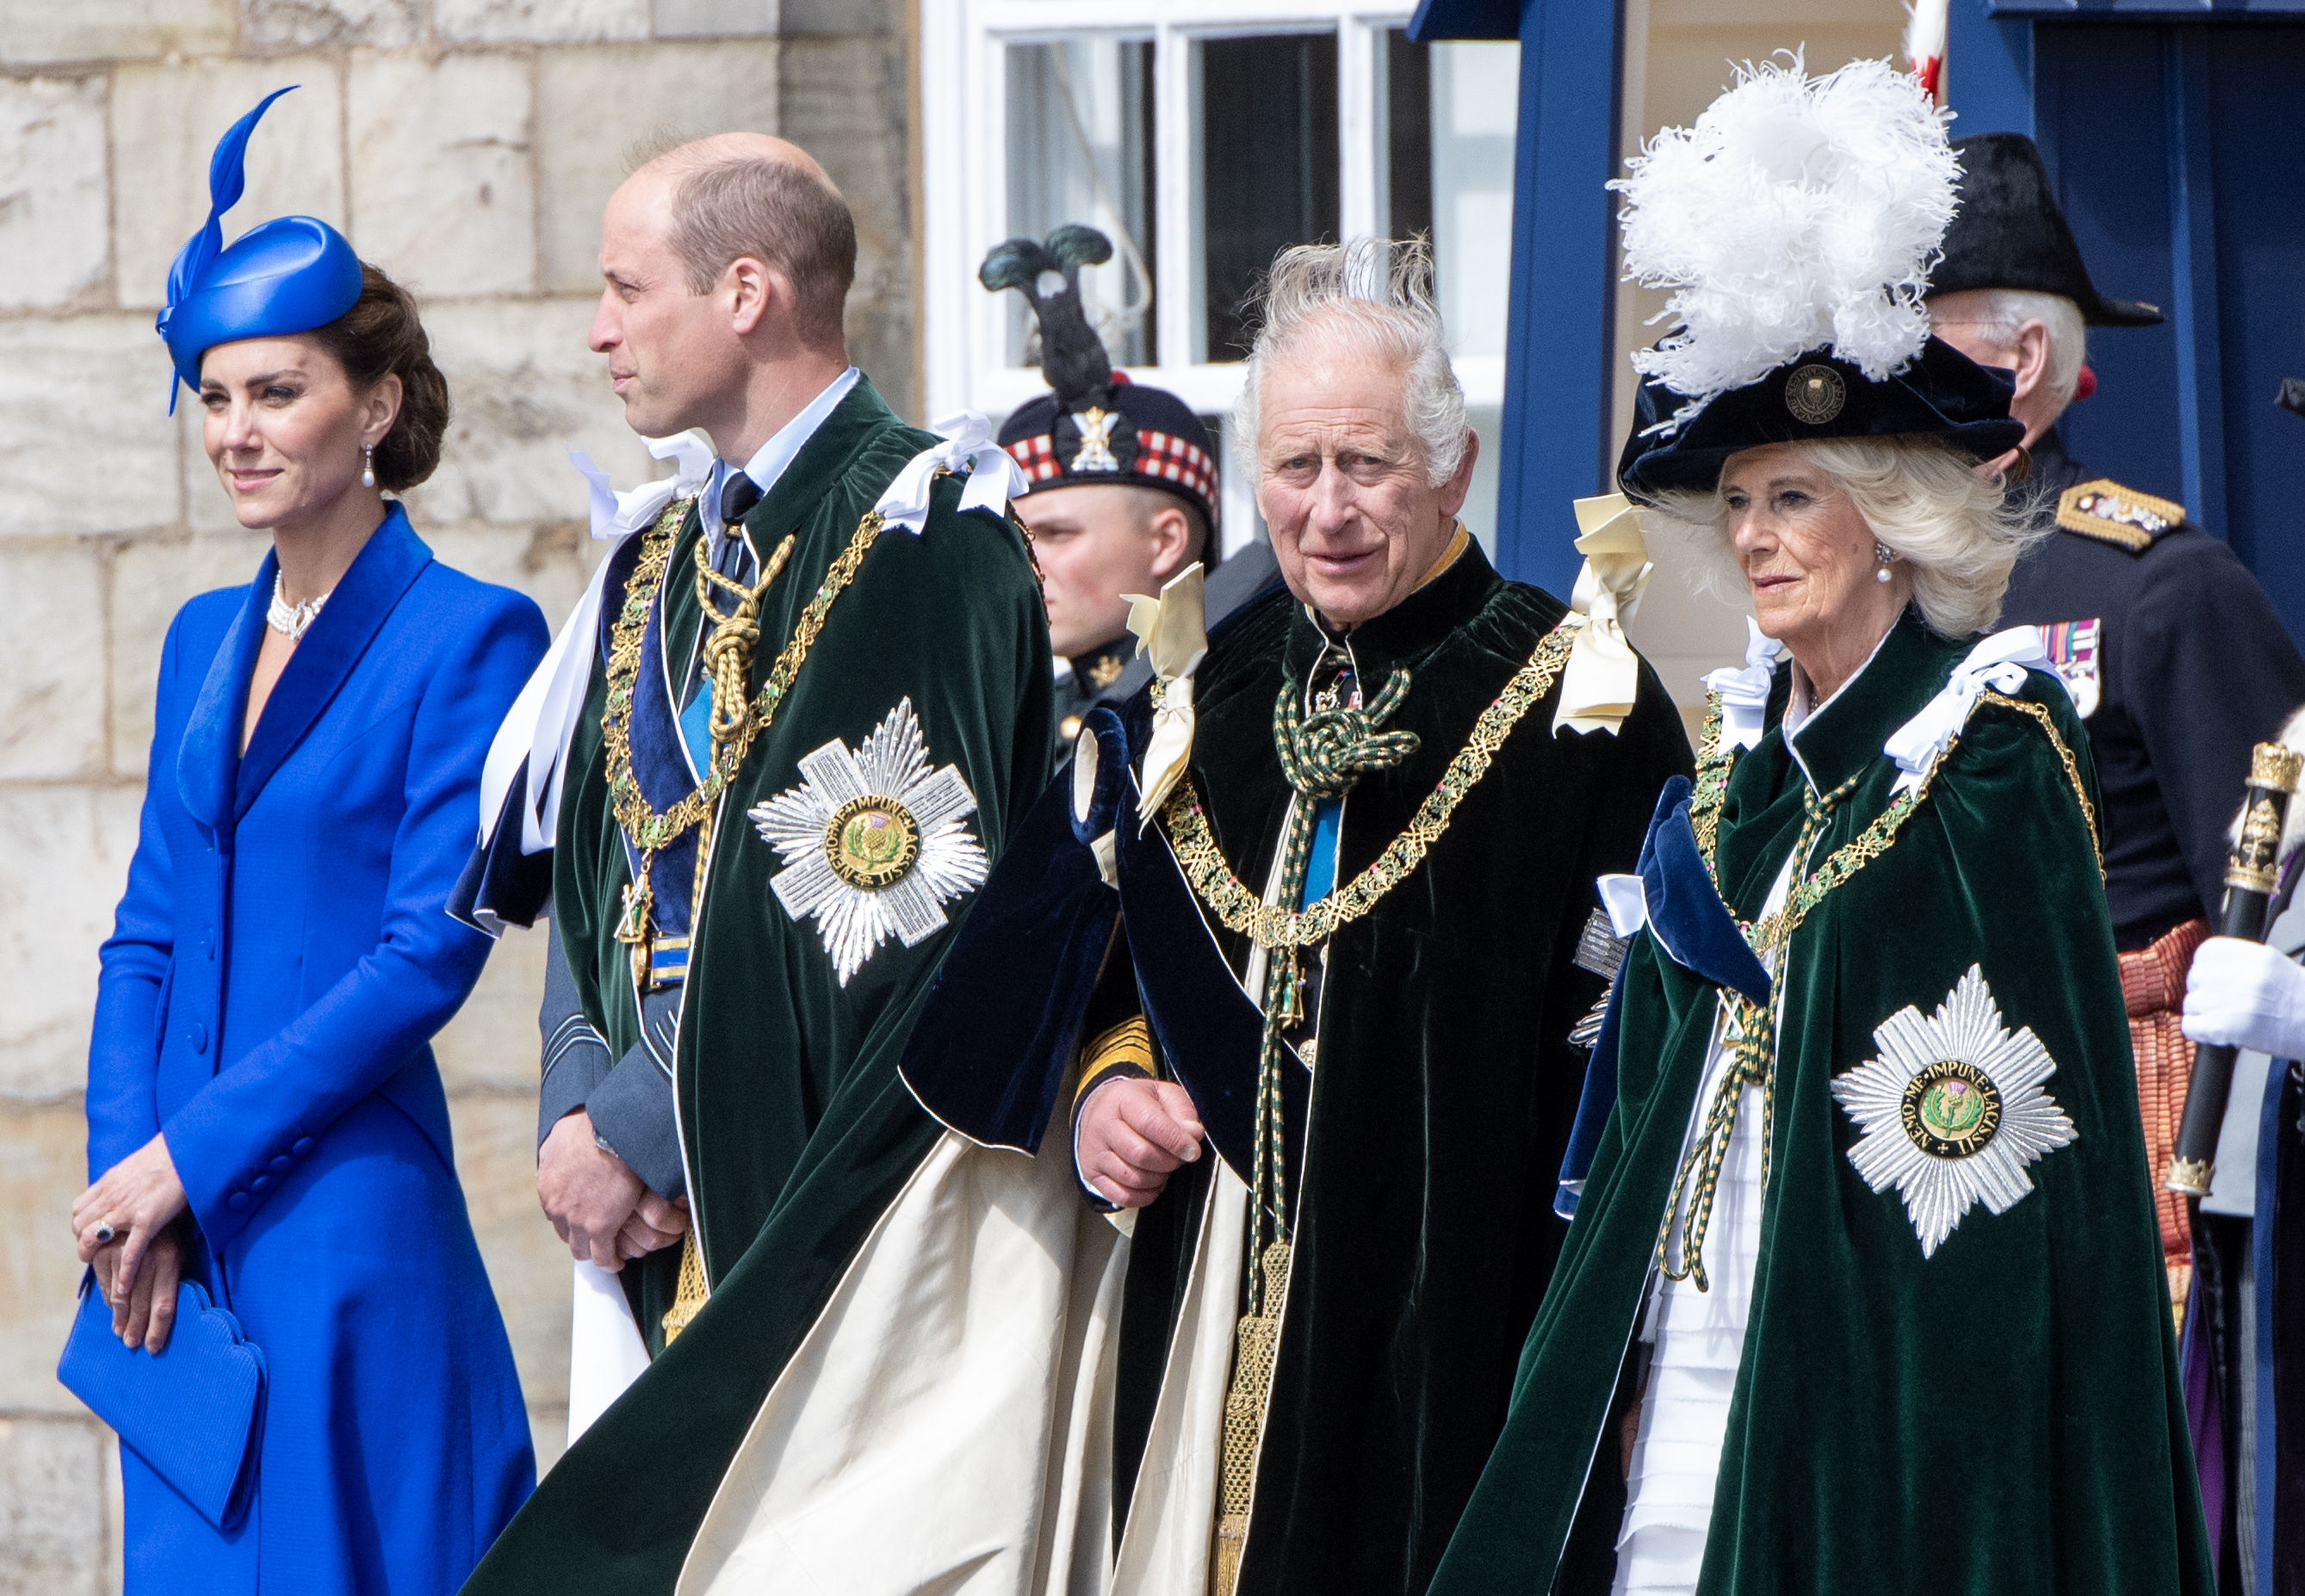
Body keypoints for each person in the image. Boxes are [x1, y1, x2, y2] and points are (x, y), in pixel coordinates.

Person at [1431, 60, 2212, 1596]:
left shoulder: (1983, 764)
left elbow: (1994, 1162)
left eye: (1795, 496)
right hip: (1694, 1342)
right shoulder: (1727, 790)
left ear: (1887, 518)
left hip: (1889, 1385)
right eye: (1737, 500)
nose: (1755, 537)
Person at [900, 234, 1694, 1596]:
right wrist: (1107, 1087)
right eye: (1294, 466)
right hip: (1200, 1322)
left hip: (1458, 1329)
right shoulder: (1194, 694)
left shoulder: (1583, 706)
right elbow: (1080, 976)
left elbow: (1628, 1060)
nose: (1327, 510)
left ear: (1454, 468)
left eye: (1368, 465)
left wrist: (1601, 1357)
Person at [449, 132, 1057, 1594]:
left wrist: (642, 1125)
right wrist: (576, 1124)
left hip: (796, 1185)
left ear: (742, 291)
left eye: (622, 288)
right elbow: (597, 873)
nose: (597, 330)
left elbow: (871, 906)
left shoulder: (925, 525)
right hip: (633, 1202)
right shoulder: (655, 555)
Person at [67, 88, 546, 1593]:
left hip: (343, 1217)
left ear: (379, 405)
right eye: (214, 398)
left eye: (275, 392)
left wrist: (183, 1161)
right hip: (176, 1244)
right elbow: (145, 925)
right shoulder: (202, 632)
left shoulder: (470, 632)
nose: (235, 432)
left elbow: (427, 952)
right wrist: (122, 1177)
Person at [1927, 131, 2305, 1316]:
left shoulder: (2158, 582)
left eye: (1910, 339)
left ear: (2021, 357)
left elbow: (2277, 903)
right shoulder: (1880, 585)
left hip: (2122, 1109)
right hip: (1920, 1103)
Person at [982, 223, 1284, 759]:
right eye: (1020, 537)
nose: (1026, 565)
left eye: (1056, 535)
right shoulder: (1027, 719)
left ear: (1166, 540)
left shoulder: (1245, 704)